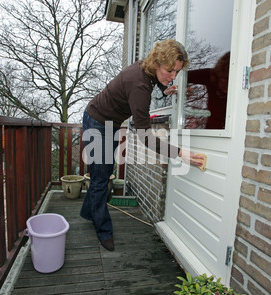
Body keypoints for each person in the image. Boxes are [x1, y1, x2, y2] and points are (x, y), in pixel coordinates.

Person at [80, 39, 205, 251]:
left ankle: (87, 211)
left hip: (110, 122)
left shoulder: (146, 70)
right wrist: (179, 153)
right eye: (170, 71)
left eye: (177, 72)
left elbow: (152, 81)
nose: (173, 76)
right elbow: (144, 136)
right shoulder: (139, 85)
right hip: (96, 121)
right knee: (101, 177)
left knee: (102, 172)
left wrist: (164, 90)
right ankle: (104, 231)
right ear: (157, 63)